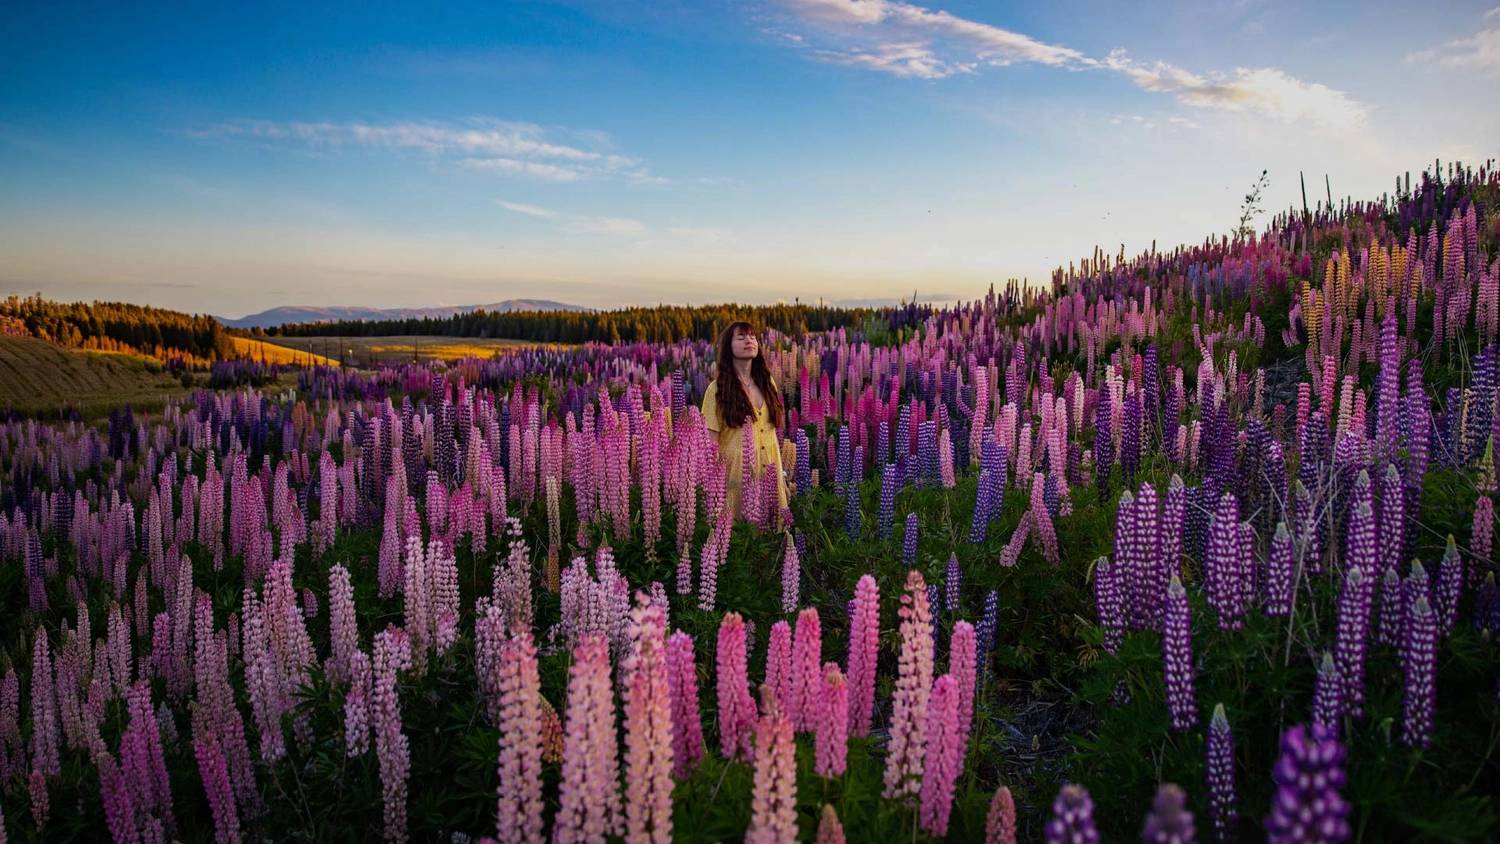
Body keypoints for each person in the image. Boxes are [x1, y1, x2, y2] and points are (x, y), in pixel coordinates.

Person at [701, 321, 789, 524]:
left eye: (752, 337)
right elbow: (709, 446)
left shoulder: (768, 383)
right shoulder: (716, 390)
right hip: (735, 477)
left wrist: (782, 476)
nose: (749, 341)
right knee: (741, 539)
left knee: (771, 540)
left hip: (770, 472)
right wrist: (713, 489)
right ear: (728, 347)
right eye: (741, 338)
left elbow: (772, 434)